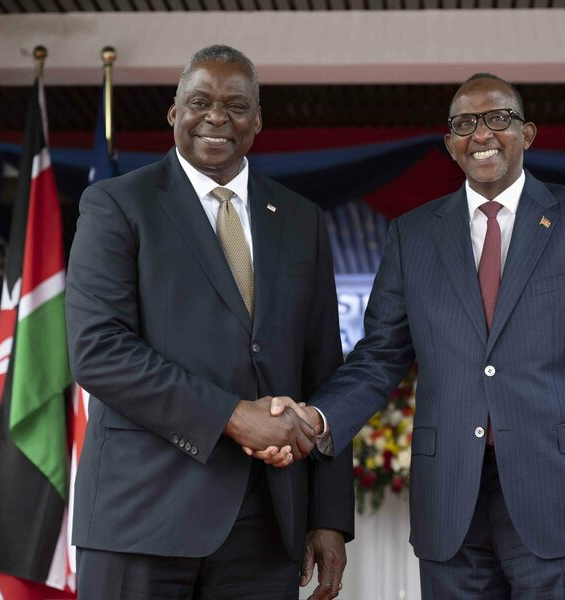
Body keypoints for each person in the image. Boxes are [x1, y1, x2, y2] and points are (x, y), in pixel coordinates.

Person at [261, 73, 565, 598]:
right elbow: (380, 356)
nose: (482, 133)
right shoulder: (412, 234)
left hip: (562, 497)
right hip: (450, 503)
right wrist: (318, 417)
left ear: (527, 133)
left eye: (498, 118)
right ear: (450, 144)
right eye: (465, 124)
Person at [65, 45, 353, 600]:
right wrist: (233, 417)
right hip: (141, 516)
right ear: (175, 113)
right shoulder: (116, 204)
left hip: (267, 526)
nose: (217, 117)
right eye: (200, 102)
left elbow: (323, 369)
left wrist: (329, 516)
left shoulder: (300, 219)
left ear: (257, 120)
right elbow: (99, 350)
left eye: (236, 106)